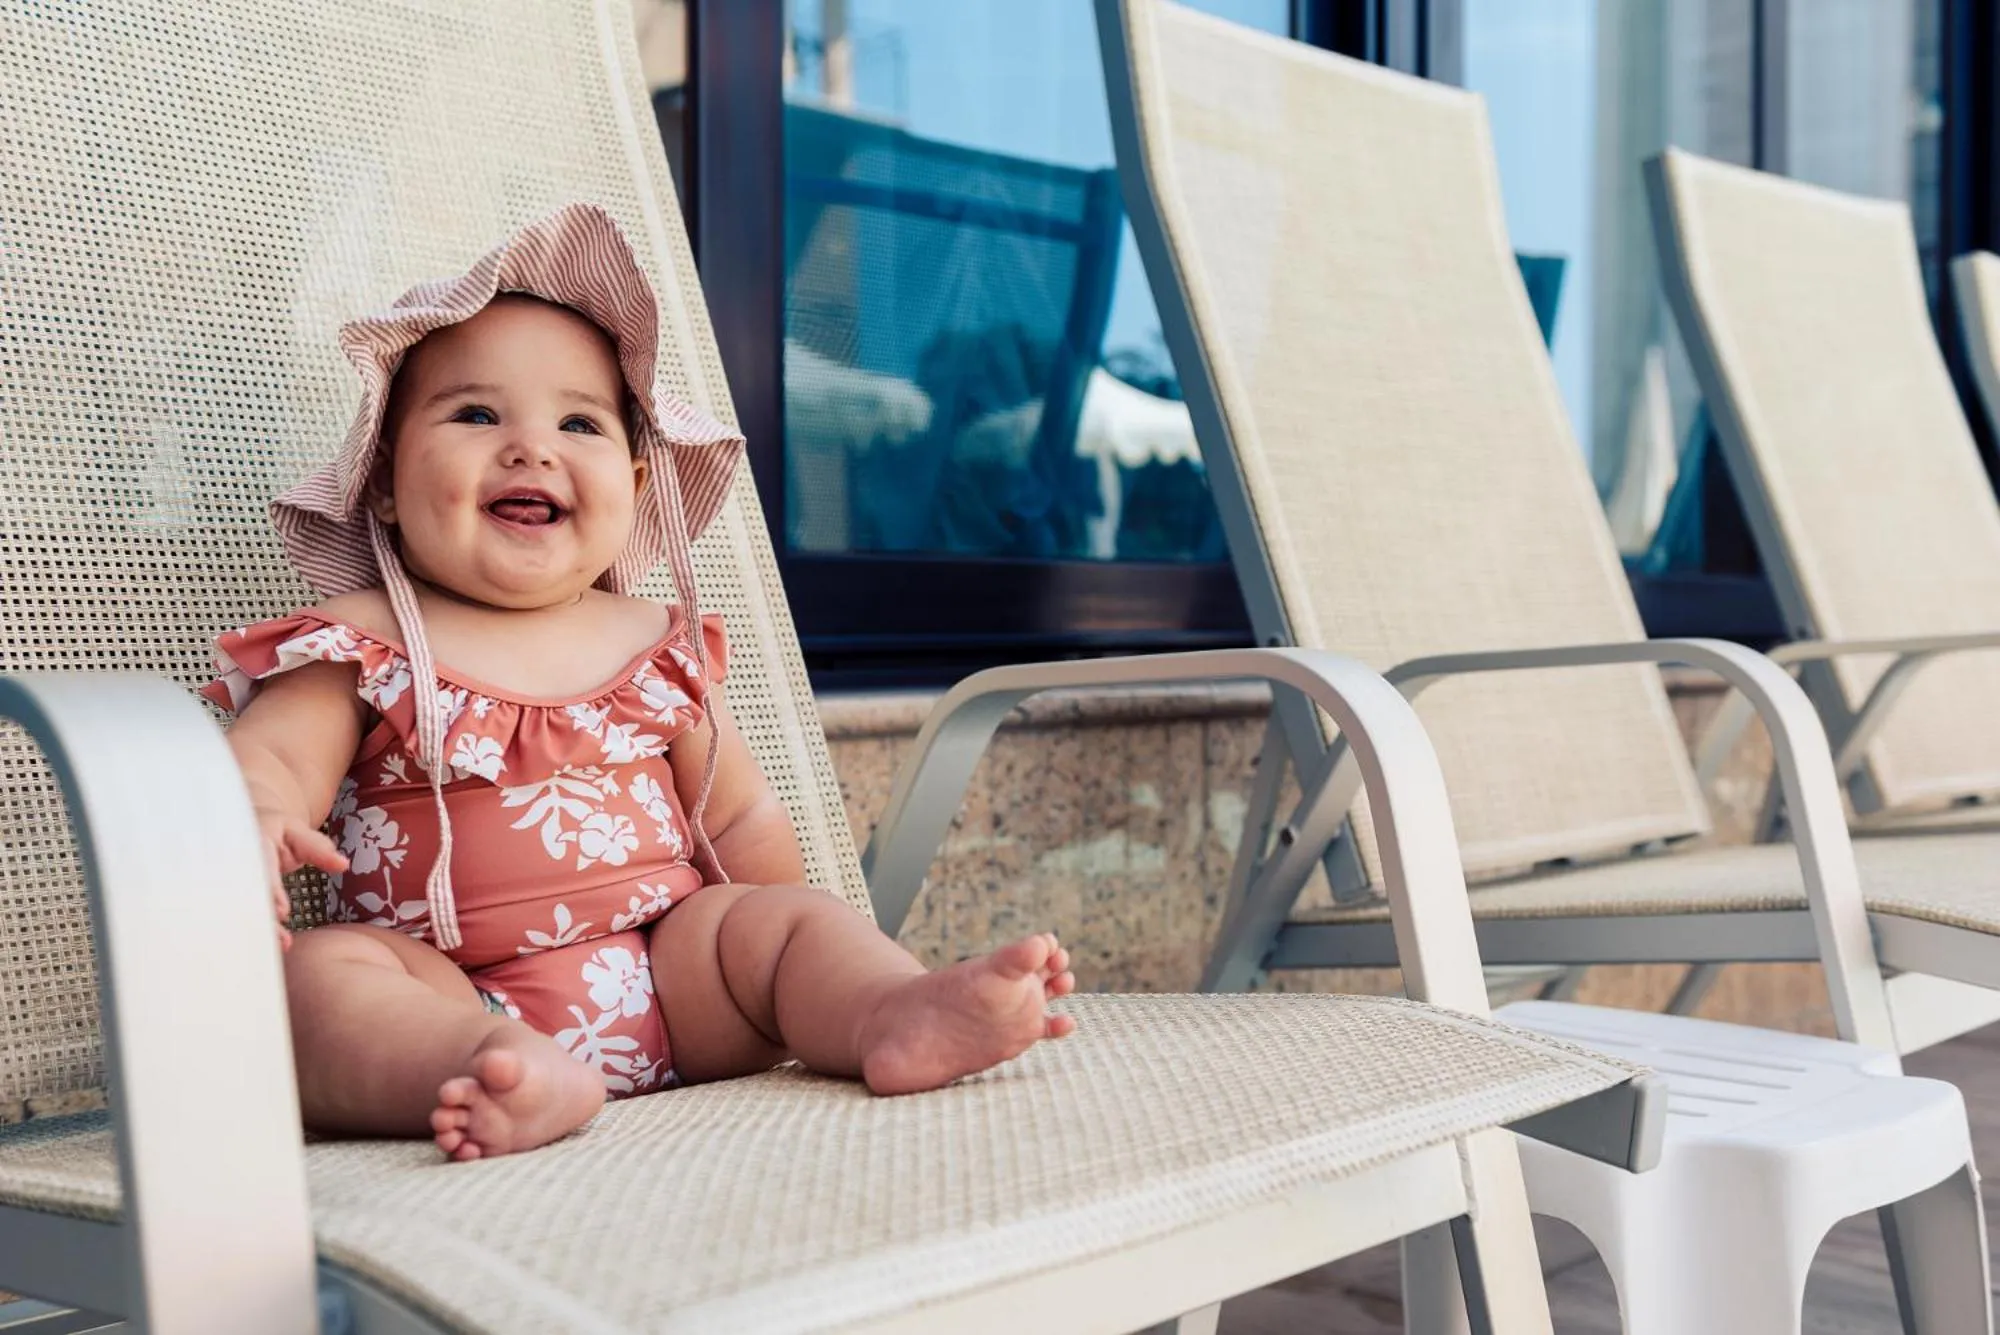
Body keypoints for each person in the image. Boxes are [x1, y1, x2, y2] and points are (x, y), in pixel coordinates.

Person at [208, 205, 1075, 1162]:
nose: (531, 447)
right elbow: (276, 757)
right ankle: (495, 1068)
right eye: (475, 414)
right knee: (321, 978)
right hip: (446, 986)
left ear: (629, 481)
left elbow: (738, 821)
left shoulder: (652, 644)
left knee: (782, 924)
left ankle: (888, 1011)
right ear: (381, 481)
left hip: (671, 980)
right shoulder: (364, 640)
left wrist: (786, 951)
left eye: (578, 422)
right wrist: (253, 813)